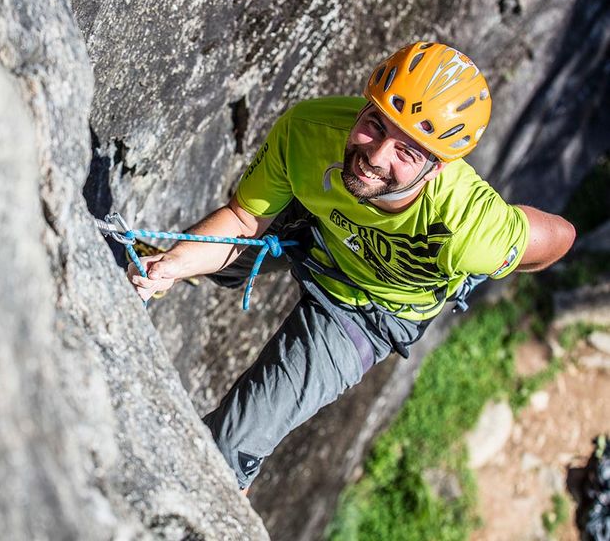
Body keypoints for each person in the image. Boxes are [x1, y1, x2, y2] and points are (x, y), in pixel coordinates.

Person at [126, 42, 576, 492]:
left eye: (408, 153)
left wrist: (502, 247)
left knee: (226, 450)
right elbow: (246, 219)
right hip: (315, 229)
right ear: (363, 107)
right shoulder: (308, 131)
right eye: (375, 125)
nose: (377, 156)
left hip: (367, 312)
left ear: (436, 169)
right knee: (211, 260)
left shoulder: (471, 227)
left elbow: (561, 237)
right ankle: (167, 264)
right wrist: (171, 265)